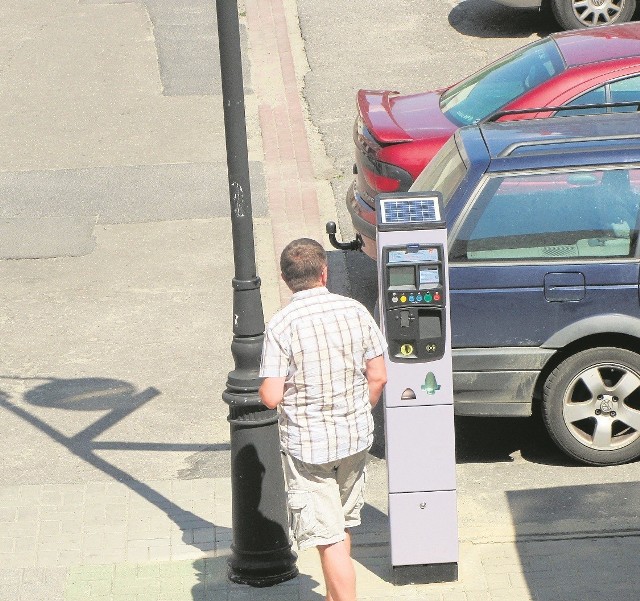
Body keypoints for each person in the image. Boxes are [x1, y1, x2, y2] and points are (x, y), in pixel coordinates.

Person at [259, 238, 387, 601]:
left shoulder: (282, 324)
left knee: (327, 537)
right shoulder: (354, 311)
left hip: (309, 448)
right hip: (355, 438)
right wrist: (362, 409)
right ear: (324, 272)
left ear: (284, 278)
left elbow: (270, 396)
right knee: (341, 525)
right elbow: (377, 375)